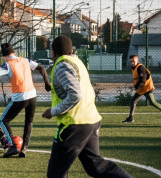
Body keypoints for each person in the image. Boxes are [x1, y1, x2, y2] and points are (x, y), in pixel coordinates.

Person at [42, 36, 132, 178]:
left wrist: (53, 111)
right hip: (91, 120)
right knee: (95, 166)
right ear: (71, 50)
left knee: (56, 172)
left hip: (74, 124)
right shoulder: (77, 62)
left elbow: (76, 95)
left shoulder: (61, 66)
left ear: (53, 53)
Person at [122, 54, 161, 123]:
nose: (132, 63)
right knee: (133, 101)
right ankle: (131, 118)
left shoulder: (140, 68)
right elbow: (137, 78)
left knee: (152, 102)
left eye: (133, 61)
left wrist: (137, 86)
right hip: (141, 88)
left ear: (137, 61)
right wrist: (136, 86)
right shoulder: (134, 68)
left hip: (147, 87)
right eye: (131, 62)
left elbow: (143, 80)